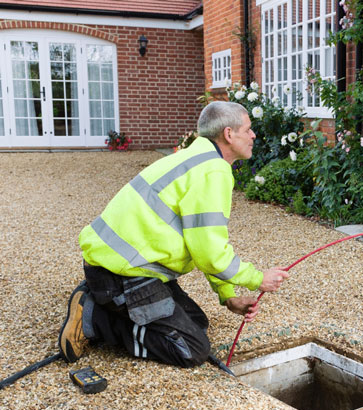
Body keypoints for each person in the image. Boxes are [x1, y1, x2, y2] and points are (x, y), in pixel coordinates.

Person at [58, 102, 289, 368]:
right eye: (248, 130)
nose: (253, 136)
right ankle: (96, 317)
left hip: (124, 266)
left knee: (197, 324)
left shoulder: (195, 159)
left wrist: (227, 295)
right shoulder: (212, 171)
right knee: (190, 349)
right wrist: (257, 279)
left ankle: (101, 300)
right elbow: (211, 254)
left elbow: (202, 243)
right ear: (228, 134)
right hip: (121, 274)